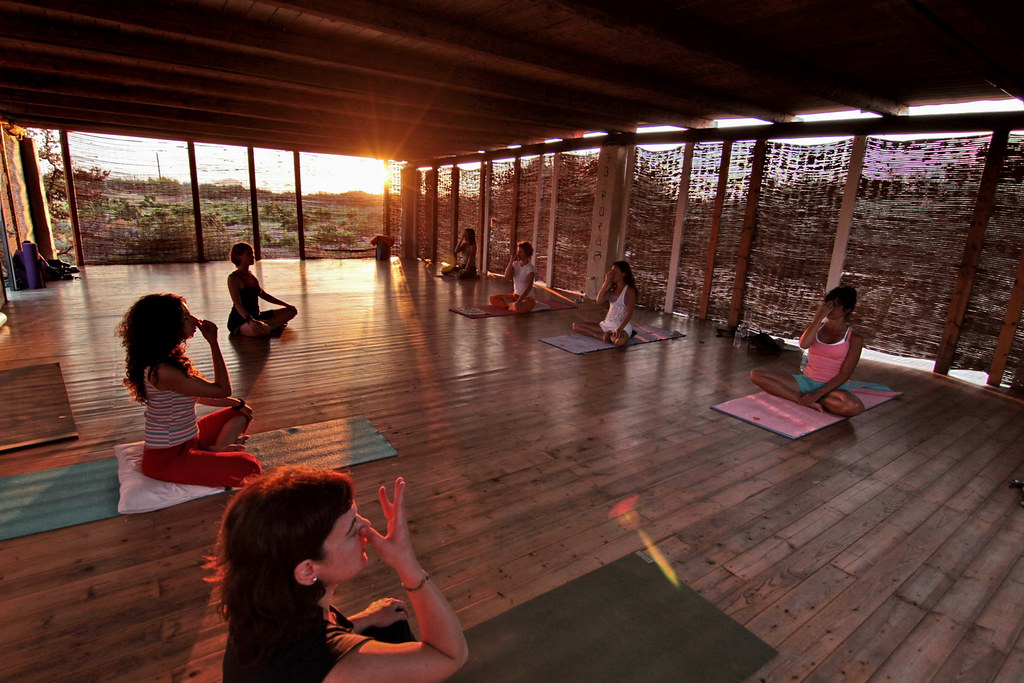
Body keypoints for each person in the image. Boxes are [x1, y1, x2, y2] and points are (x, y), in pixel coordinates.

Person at [209, 467, 469, 682]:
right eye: (352, 529)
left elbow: (309, 644)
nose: (366, 526)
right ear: (307, 569)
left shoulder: (259, 607)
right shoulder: (339, 670)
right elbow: (449, 656)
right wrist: (406, 563)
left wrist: (367, 618)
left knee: (391, 622)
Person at [118, 293, 261, 487]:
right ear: (166, 326)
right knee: (249, 467)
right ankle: (214, 452)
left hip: (191, 440)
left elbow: (195, 395)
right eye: (186, 317)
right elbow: (222, 389)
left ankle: (216, 449)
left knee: (241, 413)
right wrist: (213, 342)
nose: (194, 320)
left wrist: (238, 404)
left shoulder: (165, 360)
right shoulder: (163, 370)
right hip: (167, 459)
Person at [749, 285, 865, 416]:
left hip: (833, 388)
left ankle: (811, 398)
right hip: (807, 381)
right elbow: (804, 344)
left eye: (836, 305)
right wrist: (818, 318)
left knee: (855, 407)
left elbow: (845, 374)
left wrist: (817, 394)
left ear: (847, 309)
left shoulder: (854, 338)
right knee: (756, 375)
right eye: (828, 303)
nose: (830, 308)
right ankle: (801, 399)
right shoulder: (817, 327)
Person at [227, 242, 298, 337]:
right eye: (249, 254)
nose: (253, 257)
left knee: (292, 311)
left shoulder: (251, 276)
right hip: (241, 320)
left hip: (257, 316)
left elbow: (264, 295)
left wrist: (286, 305)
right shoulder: (233, 278)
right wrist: (250, 320)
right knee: (261, 330)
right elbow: (237, 304)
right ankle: (269, 326)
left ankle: (267, 325)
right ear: (238, 257)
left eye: (252, 254)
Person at [572, 261, 637, 346]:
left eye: (615, 272)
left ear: (623, 274)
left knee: (618, 342)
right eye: (611, 271)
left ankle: (625, 333)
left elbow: (629, 313)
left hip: (621, 326)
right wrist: (606, 282)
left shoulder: (629, 291)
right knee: (576, 326)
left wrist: (620, 329)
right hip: (607, 325)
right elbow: (599, 300)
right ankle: (601, 336)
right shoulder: (612, 288)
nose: (612, 274)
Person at [489, 241, 536, 313]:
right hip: (515, 296)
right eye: (518, 251)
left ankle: (509, 304)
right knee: (493, 298)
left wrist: (519, 301)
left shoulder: (530, 268)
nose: (518, 254)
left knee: (520, 309)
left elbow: (529, 287)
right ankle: (511, 305)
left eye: (520, 252)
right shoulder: (515, 264)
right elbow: (507, 276)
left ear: (526, 253)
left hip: (527, 298)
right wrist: (511, 261)